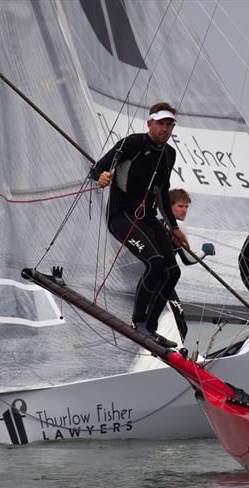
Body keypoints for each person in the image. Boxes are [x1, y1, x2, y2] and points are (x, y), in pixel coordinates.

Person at [90, 102, 187, 347]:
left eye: (170, 124)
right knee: (155, 264)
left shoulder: (168, 154)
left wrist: (174, 226)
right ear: (150, 123)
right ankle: (139, 322)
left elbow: (163, 193)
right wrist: (101, 177)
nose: (165, 129)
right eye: (161, 123)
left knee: (172, 271)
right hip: (121, 217)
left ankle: (151, 328)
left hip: (147, 218)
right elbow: (98, 168)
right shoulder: (132, 143)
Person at [164, 188, 216, 341]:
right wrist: (204, 251)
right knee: (181, 325)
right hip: (162, 280)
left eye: (186, 207)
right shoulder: (178, 225)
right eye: (180, 206)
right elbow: (188, 259)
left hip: (150, 278)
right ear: (169, 206)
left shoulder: (155, 221)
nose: (184, 210)